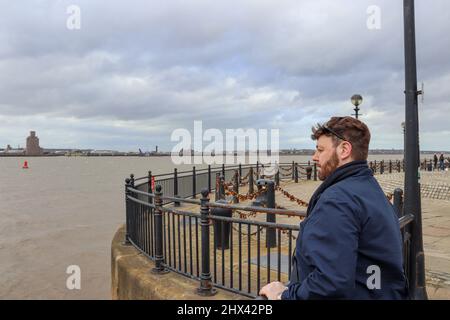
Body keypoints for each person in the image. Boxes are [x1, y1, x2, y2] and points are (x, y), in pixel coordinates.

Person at [260, 116, 408, 300]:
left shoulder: (338, 201)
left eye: (320, 150)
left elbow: (329, 283)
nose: (314, 157)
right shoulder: (370, 187)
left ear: (344, 149)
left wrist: (284, 295)